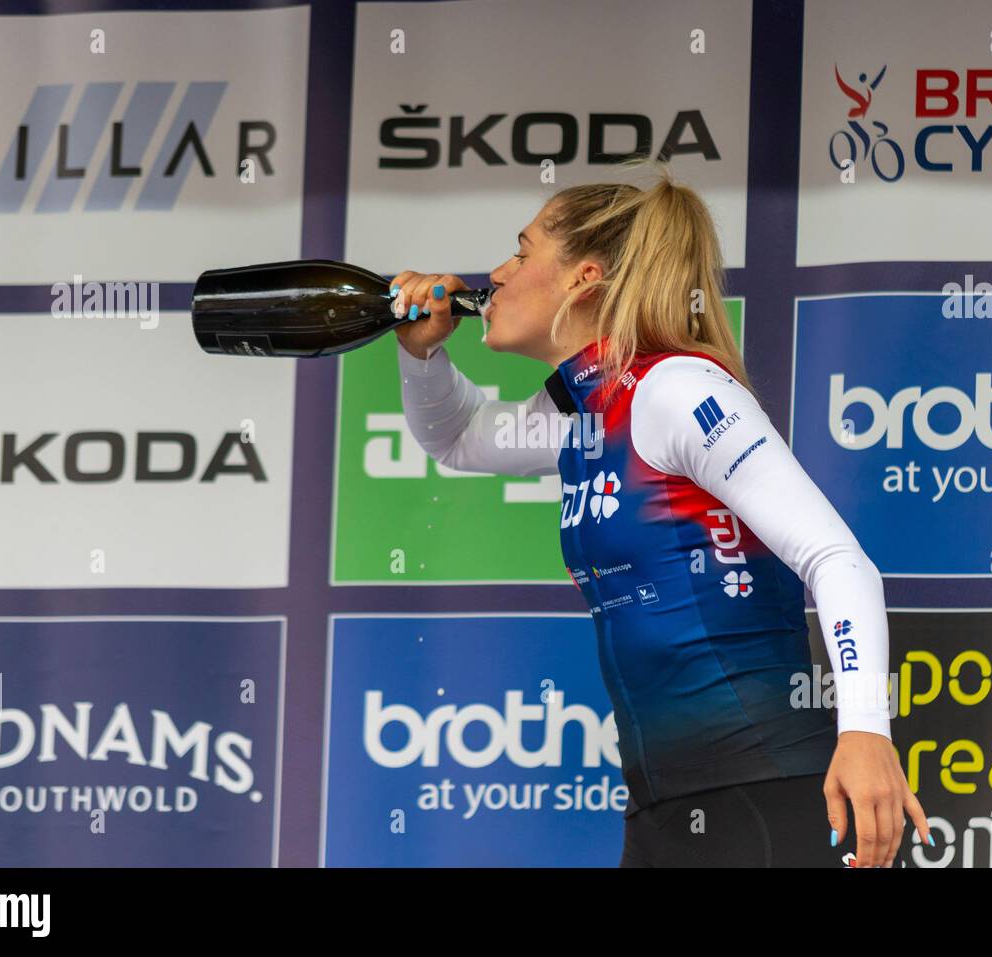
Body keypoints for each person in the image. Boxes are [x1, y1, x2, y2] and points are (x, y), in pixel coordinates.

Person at [388, 161, 930, 867]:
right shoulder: (584, 409)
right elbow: (455, 438)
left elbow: (838, 560)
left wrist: (865, 731)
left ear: (583, 277)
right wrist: (421, 355)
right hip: (664, 809)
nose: (498, 271)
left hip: (757, 799)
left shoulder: (674, 389)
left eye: (522, 252)